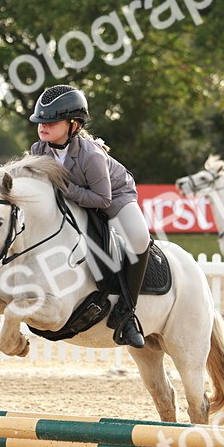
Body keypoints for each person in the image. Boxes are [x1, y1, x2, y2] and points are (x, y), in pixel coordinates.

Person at [28, 84, 150, 349]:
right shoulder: (39, 150)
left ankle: (127, 313)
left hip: (115, 197)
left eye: (51, 121)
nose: (43, 126)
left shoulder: (91, 155)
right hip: (77, 198)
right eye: (41, 121)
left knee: (140, 239)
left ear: (73, 125)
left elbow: (102, 199)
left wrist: (65, 189)